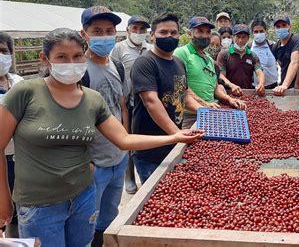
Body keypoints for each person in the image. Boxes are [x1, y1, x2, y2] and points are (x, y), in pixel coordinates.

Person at [0, 28, 203, 246]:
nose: (71, 63)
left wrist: (175, 137)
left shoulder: (92, 99)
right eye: (62, 57)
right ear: (45, 58)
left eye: (77, 56)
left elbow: (124, 140)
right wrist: (3, 198)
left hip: (83, 196)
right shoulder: (25, 93)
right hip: (39, 205)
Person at [131, 14, 204, 183]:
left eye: (173, 32)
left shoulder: (178, 62)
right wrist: (176, 133)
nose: (169, 37)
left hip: (173, 144)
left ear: (180, 35)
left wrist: (203, 110)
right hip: (151, 149)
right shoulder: (145, 63)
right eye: (163, 32)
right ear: (152, 35)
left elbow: (183, 94)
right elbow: (150, 101)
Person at [79, 6, 130, 246]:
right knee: (87, 219)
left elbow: (121, 106)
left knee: (110, 217)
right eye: (97, 31)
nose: (104, 36)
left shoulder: (117, 66)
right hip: (94, 162)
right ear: (84, 34)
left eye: (109, 31)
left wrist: (127, 144)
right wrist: (85, 161)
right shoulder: (79, 72)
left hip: (118, 158)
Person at [174, 16, 245, 129]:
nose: (205, 35)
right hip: (191, 116)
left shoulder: (209, 59)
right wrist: (204, 105)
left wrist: (229, 99)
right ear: (189, 34)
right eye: (200, 31)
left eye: (208, 32)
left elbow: (215, 88)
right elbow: (181, 89)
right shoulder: (181, 53)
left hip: (211, 112)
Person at [111, 14, 151, 194]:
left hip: (146, 101)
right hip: (127, 101)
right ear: (128, 30)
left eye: (142, 29)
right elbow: (114, 72)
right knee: (128, 137)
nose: (138, 32)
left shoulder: (150, 49)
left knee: (143, 138)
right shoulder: (119, 49)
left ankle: (145, 172)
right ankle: (129, 177)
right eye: (135, 28)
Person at [0, 32, 23, 238]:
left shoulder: (18, 82)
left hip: (18, 156)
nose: (0, 57)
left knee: (17, 206)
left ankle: (16, 239)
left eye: (3, 51)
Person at [216, 24, 265, 96]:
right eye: (238, 37)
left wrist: (261, 84)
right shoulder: (224, 54)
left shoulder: (253, 55)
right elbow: (221, 75)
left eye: (243, 37)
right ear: (233, 38)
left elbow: (259, 72)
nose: (240, 40)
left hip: (247, 93)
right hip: (229, 93)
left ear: (248, 38)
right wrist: (231, 85)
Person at [271, 14, 299, 96]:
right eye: (278, 26)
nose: (281, 28)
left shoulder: (296, 39)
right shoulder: (276, 47)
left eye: (284, 25)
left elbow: (295, 62)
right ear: (274, 29)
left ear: (289, 26)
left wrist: (284, 85)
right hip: (284, 89)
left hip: (298, 88)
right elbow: (280, 65)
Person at [250, 20, 278, 89]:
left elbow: (281, 64)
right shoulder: (249, 47)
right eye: (256, 32)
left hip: (272, 86)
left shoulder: (273, 46)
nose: (259, 33)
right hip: (254, 87)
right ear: (252, 33)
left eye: (261, 31)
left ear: (266, 32)